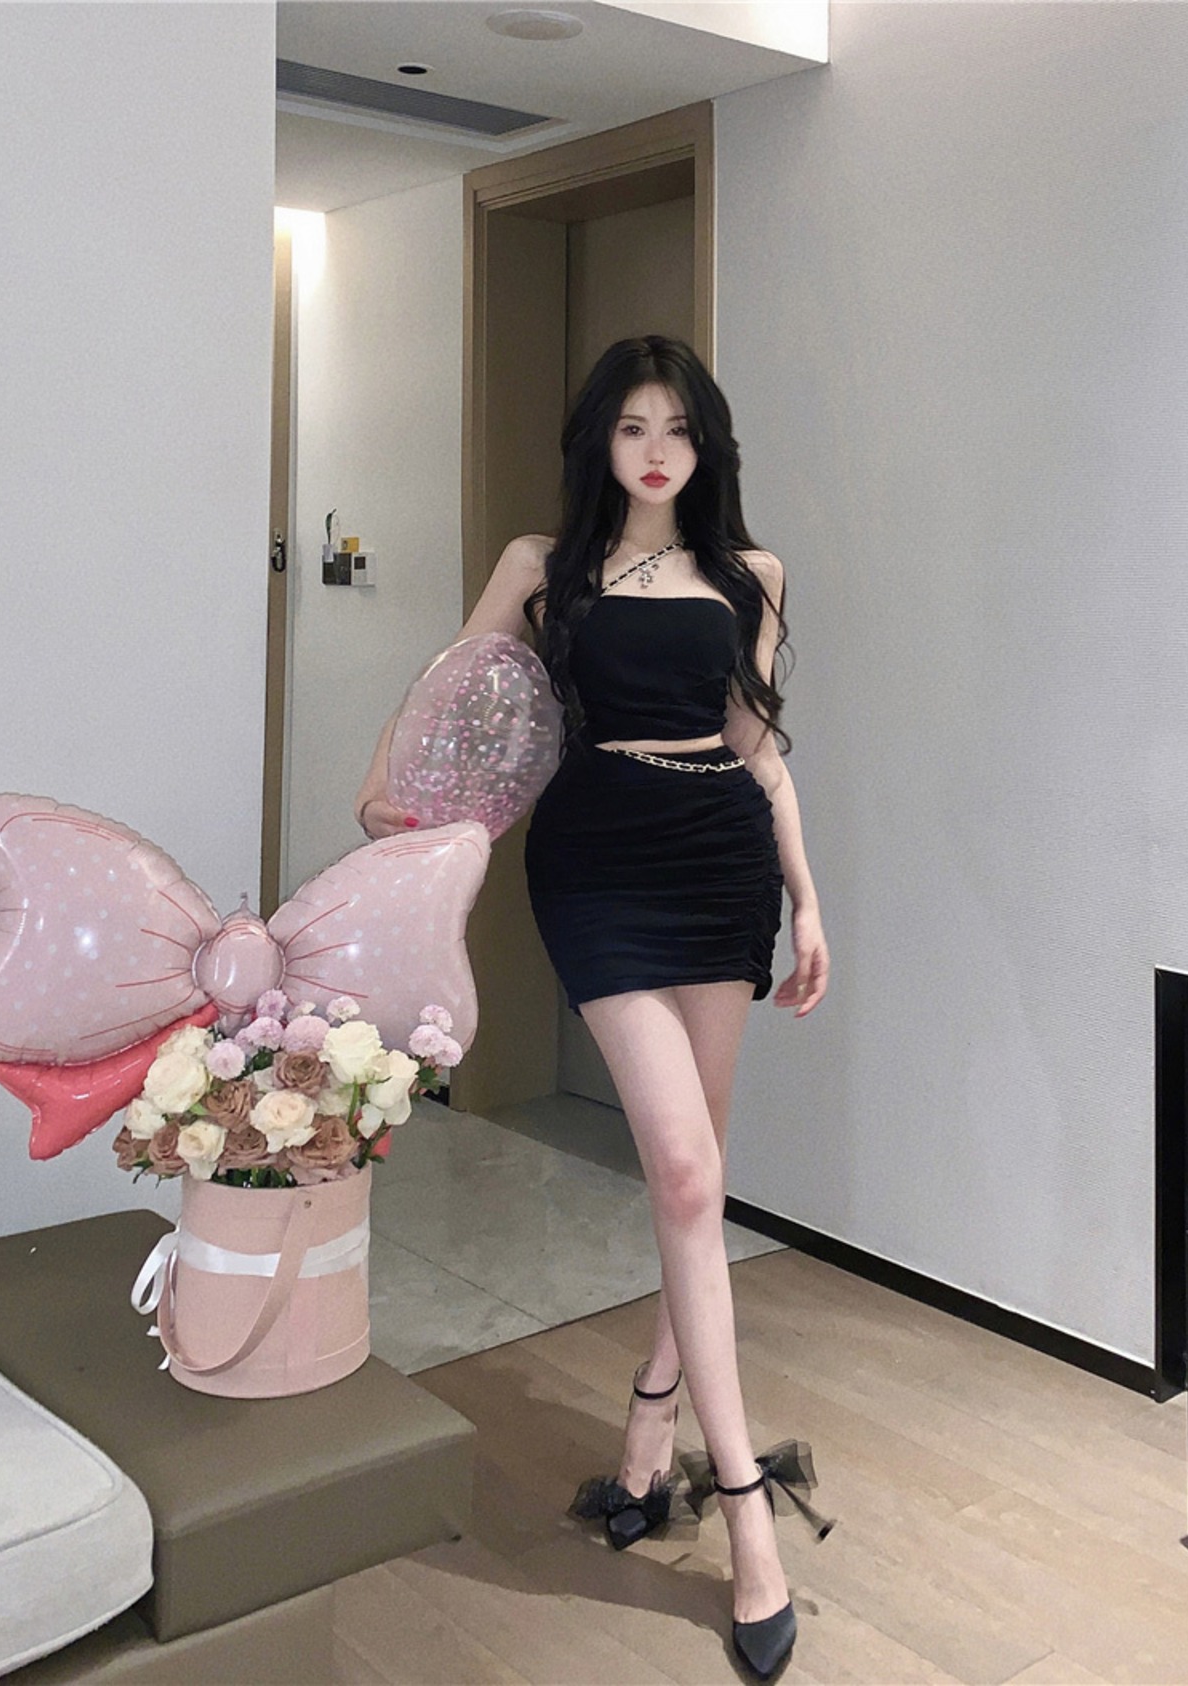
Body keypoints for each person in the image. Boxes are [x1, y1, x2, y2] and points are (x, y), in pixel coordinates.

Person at [354, 335, 829, 1679]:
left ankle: (651, 1416)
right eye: (631, 428)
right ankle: (744, 1510)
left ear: (705, 443)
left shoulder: (753, 575)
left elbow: (758, 749)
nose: (656, 451)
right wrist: (387, 786)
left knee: (697, 1172)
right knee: (681, 1166)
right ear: (600, 444)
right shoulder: (543, 564)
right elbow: (454, 692)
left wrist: (808, 901)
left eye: (677, 428)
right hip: (598, 863)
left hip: (720, 858)